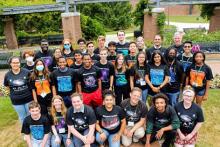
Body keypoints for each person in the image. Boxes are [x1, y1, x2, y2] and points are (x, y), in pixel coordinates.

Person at [4, 56, 33, 124]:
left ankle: (33, 130)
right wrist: (12, 95)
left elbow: (31, 84)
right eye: (13, 63)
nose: (15, 64)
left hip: (28, 99)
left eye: (17, 62)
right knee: (22, 117)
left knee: (30, 115)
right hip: (16, 102)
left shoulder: (27, 72)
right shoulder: (7, 75)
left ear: (20, 63)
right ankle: (26, 131)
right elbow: (7, 86)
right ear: (10, 64)